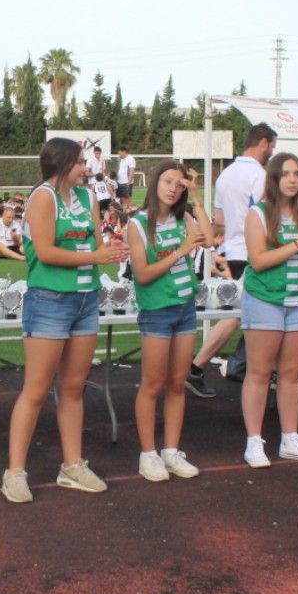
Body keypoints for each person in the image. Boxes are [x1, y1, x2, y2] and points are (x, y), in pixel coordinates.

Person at [2, 138, 126, 502]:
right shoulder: (43, 197)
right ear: (62, 163)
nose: (86, 168)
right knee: (36, 389)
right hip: (50, 299)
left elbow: (96, 245)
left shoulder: (87, 197)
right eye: (80, 162)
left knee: (73, 388)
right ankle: (14, 472)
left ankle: (72, 466)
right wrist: (98, 256)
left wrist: (110, 251)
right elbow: (45, 252)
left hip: (86, 298)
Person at [238, 153, 298, 467]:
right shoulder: (258, 213)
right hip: (264, 300)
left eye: (297, 174)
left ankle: (290, 439)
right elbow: (258, 260)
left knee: (291, 374)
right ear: (274, 179)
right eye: (286, 174)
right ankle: (254, 441)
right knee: (260, 372)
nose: (292, 179)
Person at [127, 160, 207, 481]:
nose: (173, 188)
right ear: (155, 184)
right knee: (152, 384)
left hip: (186, 308)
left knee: (177, 383)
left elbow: (209, 239)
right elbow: (143, 274)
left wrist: (196, 197)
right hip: (157, 312)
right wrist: (181, 251)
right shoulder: (137, 224)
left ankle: (171, 452)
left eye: (179, 183)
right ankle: (148, 455)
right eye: (167, 181)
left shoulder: (183, 217)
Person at [187, 123, 276, 398]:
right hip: (251, 252)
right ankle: (197, 367)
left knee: (244, 313)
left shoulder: (225, 174)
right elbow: (265, 216)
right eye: (272, 147)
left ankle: (240, 365)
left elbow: (220, 219)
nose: (272, 152)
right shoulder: (260, 175)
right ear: (263, 143)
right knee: (238, 315)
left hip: (233, 249)